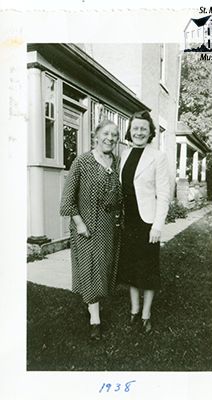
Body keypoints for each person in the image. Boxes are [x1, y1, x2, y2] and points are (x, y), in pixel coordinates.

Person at [60, 119, 123, 341]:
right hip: (85, 227)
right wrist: (79, 223)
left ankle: (92, 305)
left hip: (108, 227)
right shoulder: (82, 161)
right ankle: (94, 320)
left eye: (115, 135)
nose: (110, 138)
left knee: (103, 269)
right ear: (96, 136)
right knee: (89, 269)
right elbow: (67, 199)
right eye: (106, 133)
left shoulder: (116, 163)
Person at [118, 110, 170, 333]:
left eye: (143, 129)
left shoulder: (158, 157)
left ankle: (146, 315)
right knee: (131, 269)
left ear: (150, 133)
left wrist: (157, 225)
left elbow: (164, 194)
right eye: (135, 128)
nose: (138, 132)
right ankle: (134, 310)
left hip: (147, 223)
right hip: (128, 222)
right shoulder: (124, 154)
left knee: (148, 270)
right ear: (130, 131)